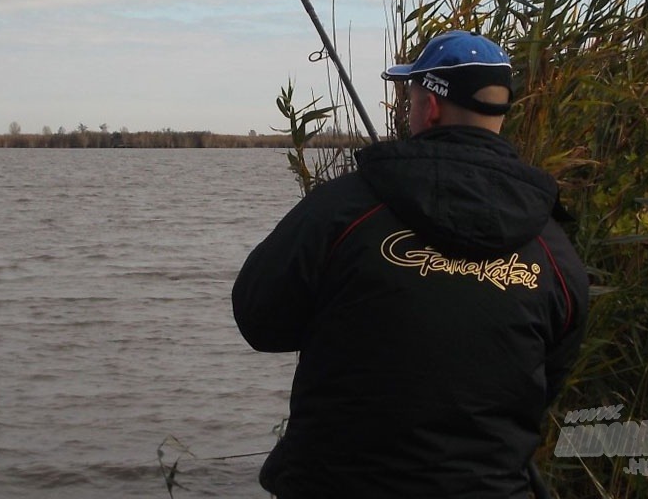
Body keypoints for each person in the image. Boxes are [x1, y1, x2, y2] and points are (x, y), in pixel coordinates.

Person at [232, 30, 589, 499]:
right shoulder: (554, 249)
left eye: (411, 94)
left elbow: (260, 319)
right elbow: (549, 377)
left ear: (431, 106)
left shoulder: (343, 209)